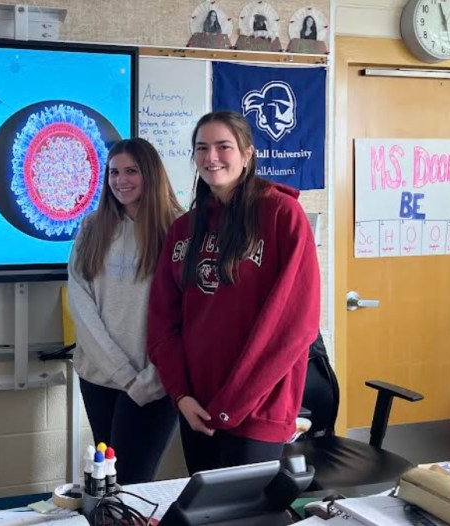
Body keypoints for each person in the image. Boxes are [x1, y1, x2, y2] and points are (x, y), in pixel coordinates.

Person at [146, 111, 320, 475]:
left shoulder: (281, 215)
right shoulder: (183, 229)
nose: (211, 157)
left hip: (258, 410)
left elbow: (294, 325)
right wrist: (181, 395)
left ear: (247, 154)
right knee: (206, 505)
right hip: (197, 407)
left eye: (223, 146)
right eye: (202, 148)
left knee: (247, 505)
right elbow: (163, 322)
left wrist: (232, 404)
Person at [68, 138, 184, 484]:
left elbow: (190, 312)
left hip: (153, 382)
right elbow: (81, 304)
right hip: (99, 377)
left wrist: (153, 377)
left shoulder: (179, 229)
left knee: (133, 482)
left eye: (131, 171)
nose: (121, 180)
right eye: (113, 172)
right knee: (107, 480)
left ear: (151, 174)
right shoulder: (92, 228)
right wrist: (124, 374)